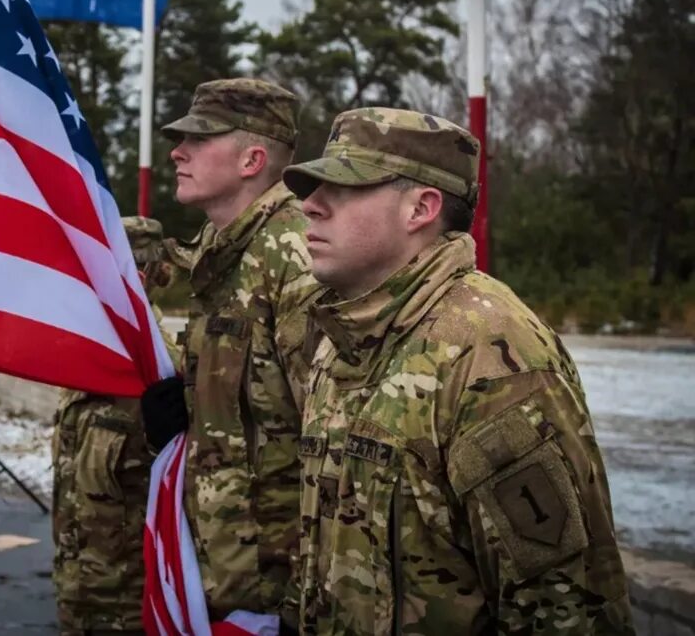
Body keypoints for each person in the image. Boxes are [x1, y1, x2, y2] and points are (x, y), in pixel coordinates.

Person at [278, 107, 634, 635]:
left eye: (344, 189)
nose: (310, 207)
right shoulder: (344, 335)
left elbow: (565, 608)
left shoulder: (490, 357)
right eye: (312, 190)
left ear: (420, 208)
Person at [140, 78, 321, 619]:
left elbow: (333, 438)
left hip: (278, 586)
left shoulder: (298, 254)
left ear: (252, 160)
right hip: (223, 573)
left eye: (199, 139)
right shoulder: (220, 253)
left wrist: (301, 604)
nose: (177, 152)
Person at [51, 216, 180, 636]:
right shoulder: (83, 357)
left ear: (133, 282)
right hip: (76, 595)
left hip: (130, 612)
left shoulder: (166, 377)